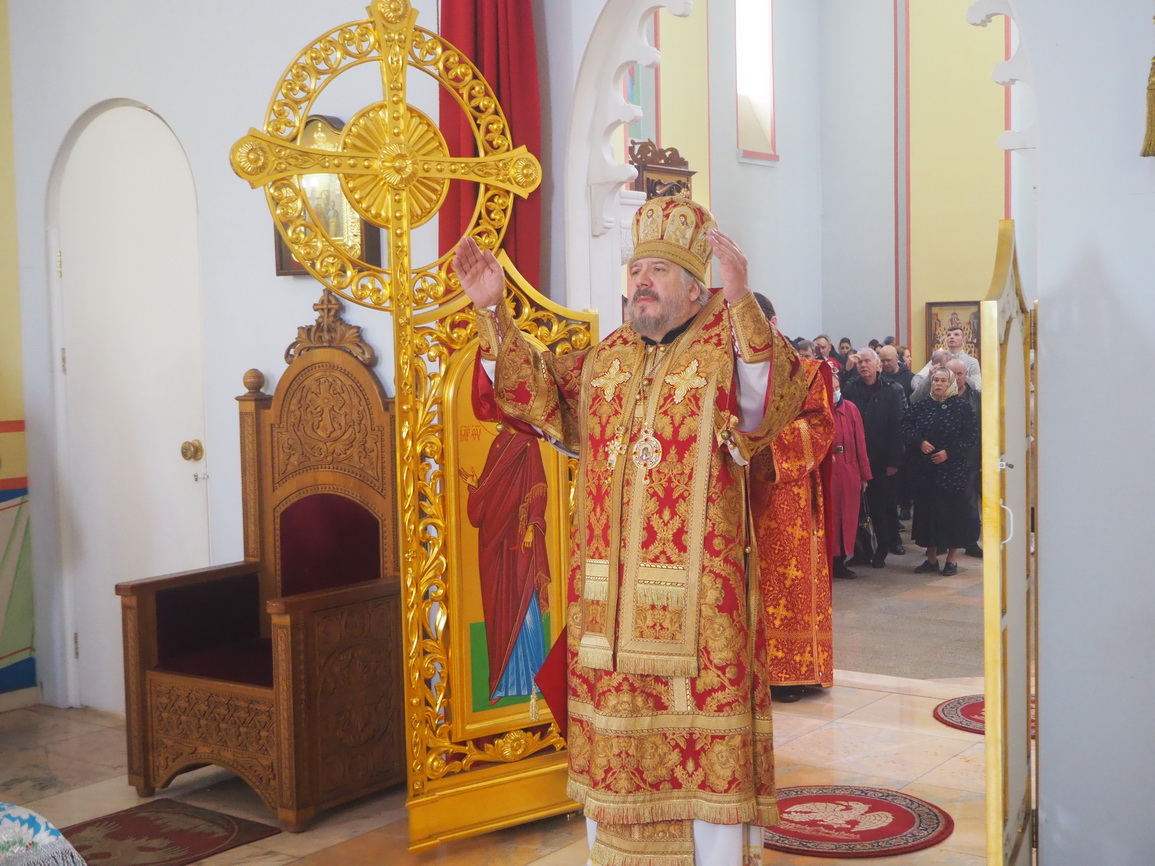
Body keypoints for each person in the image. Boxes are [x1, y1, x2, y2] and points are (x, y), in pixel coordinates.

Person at [454, 194, 811, 866]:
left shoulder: (725, 349)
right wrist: (491, 312)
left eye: (657, 269)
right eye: (636, 268)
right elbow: (529, 396)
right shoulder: (604, 360)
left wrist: (741, 303)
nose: (641, 280)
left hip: (701, 619)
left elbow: (768, 404)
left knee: (705, 782)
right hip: (608, 614)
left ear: (694, 282)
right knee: (614, 773)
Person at [749, 310, 835, 704]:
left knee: (788, 574)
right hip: (733, 485)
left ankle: (792, 671)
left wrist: (764, 443)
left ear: (771, 320)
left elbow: (819, 425)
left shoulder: (806, 370)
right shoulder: (724, 369)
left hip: (787, 490)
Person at [902, 368, 980, 576]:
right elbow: (906, 426)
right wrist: (919, 442)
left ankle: (951, 560)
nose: (938, 384)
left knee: (951, 515)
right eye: (935, 380)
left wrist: (949, 453)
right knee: (928, 513)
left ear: (951, 384)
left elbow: (971, 436)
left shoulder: (962, 408)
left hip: (952, 470)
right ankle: (931, 558)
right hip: (926, 470)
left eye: (943, 381)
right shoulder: (921, 406)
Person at [840, 347, 905, 567]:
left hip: (881, 458)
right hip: (856, 457)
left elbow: (898, 427)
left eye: (868, 361)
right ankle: (862, 550)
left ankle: (883, 548)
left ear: (878, 365)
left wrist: (894, 461)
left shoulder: (892, 389)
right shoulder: (851, 388)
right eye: (860, 362)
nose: (863, 366)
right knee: (857, 509)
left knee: (881, 507)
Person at [829, 381, 872, 579]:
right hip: (827, 471)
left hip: (849, 471)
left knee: (847, 516)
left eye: (836, 385)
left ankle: (842, 560)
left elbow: (860, 442)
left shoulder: (851, 409)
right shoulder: (817, 409)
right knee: (830, 517)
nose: (834, 389)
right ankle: (829, 560)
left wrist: (864, 475)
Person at [946, 358, 984, 559]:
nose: (957, 378)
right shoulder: (940, 396)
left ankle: (971, 541)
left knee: (969, 502)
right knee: (945, 501)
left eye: (960, 374)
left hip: (970, 458)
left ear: (966, 375)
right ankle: (944, 540)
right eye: (952, 374)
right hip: (944, 459)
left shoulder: (976, 398)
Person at [915, 324, 981, 392]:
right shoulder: (938, 358)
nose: (951, 337)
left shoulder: (972, 362)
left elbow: (977, 387)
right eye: (949, 335)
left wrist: (961, 376)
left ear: (963, 340)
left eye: (956, 335)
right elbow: (917, 379)